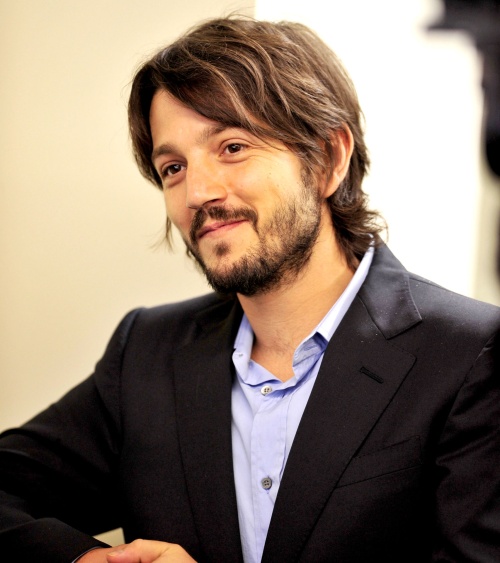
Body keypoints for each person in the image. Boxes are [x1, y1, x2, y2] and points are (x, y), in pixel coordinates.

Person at [1, 15, 499, 563]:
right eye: (173, 167)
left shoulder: (472, 354)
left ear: (329, 159)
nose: (197, 192)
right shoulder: (145, 352)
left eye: (233, 147)